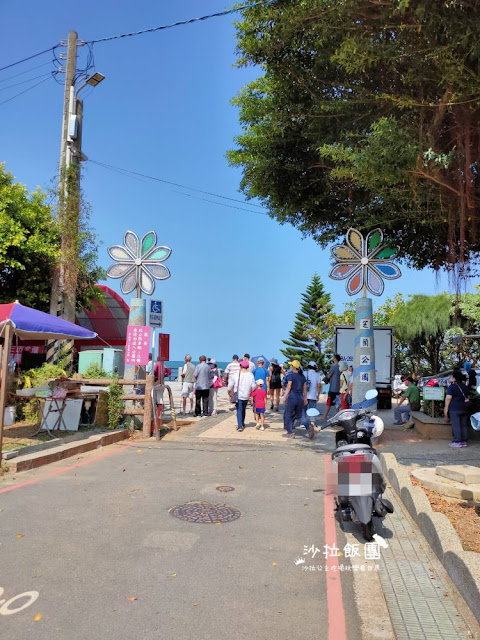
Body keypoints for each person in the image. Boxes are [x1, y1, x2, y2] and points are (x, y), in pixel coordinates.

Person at [282, 360, 312, 439]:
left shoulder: (291, 375)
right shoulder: (302, 376)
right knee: (300, 416)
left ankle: (290, 432)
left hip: (292, 397)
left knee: (288, 414)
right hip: (300, 397)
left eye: (291, 365)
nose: (290, 367)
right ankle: (309, 428)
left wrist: (284, 396)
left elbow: (289, 387)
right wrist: (305, 398)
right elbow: (305, 388)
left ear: (294, 367)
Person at [444, 370, 470, 447]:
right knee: (463, 425)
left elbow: (448, 398)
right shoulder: (465, 387)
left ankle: (457, 441)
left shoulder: (452, 387)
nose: (451, 378)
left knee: (456, 425)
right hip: (464, 408)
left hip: (454, 408)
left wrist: (446, 408)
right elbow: (468, 397)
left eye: (452, 377)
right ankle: (464, 441)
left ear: (454, 378)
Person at [236, 360, 255, 431]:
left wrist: (230, 392)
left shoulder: (237, 374)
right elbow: (253, 386)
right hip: (247, 394)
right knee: (243, 408)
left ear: (240, 366)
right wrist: (251, 392)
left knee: (239, 409)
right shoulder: (250, 375)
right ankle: (242, 422)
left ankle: (240, 425)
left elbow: (232, 384)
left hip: (239, 394)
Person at [322, 354, 341, 420]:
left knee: (329, 403)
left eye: (333, 358)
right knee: (337, 404)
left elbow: (329, 376)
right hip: (338, 388)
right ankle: (338, 417)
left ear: (335, 359)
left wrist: (326, 375)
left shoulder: (333, 367)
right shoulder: (339, 367)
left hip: (332, 388)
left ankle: (325, 416)